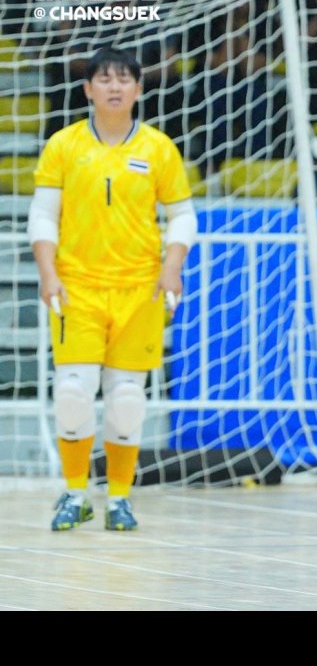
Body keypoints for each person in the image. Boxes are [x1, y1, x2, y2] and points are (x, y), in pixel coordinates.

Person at [29, 47, 196, 532]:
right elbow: (43, 214)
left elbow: (182, 215)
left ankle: (120, 497)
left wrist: (172, 267)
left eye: (124, 78)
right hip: (76, 288)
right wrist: (47, 272)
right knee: (72, 392)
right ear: (88, 89)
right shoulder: (63, 145)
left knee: (126, 398)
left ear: (139, 88)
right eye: (104, 79)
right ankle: (75, 493)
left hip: (139, 289)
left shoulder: (159, 148)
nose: (115, 86)